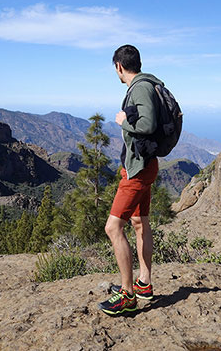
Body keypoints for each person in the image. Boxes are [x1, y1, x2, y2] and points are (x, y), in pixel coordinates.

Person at [100, 44, 161, 316]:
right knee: (139, 222)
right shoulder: (147, 85)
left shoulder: (140, 88)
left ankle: (127, 294)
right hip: (144, 165)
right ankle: (144, 283)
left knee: (113, 228)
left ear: (119, 67)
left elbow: (146, 124)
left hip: (137, 170)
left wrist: (123, 121)